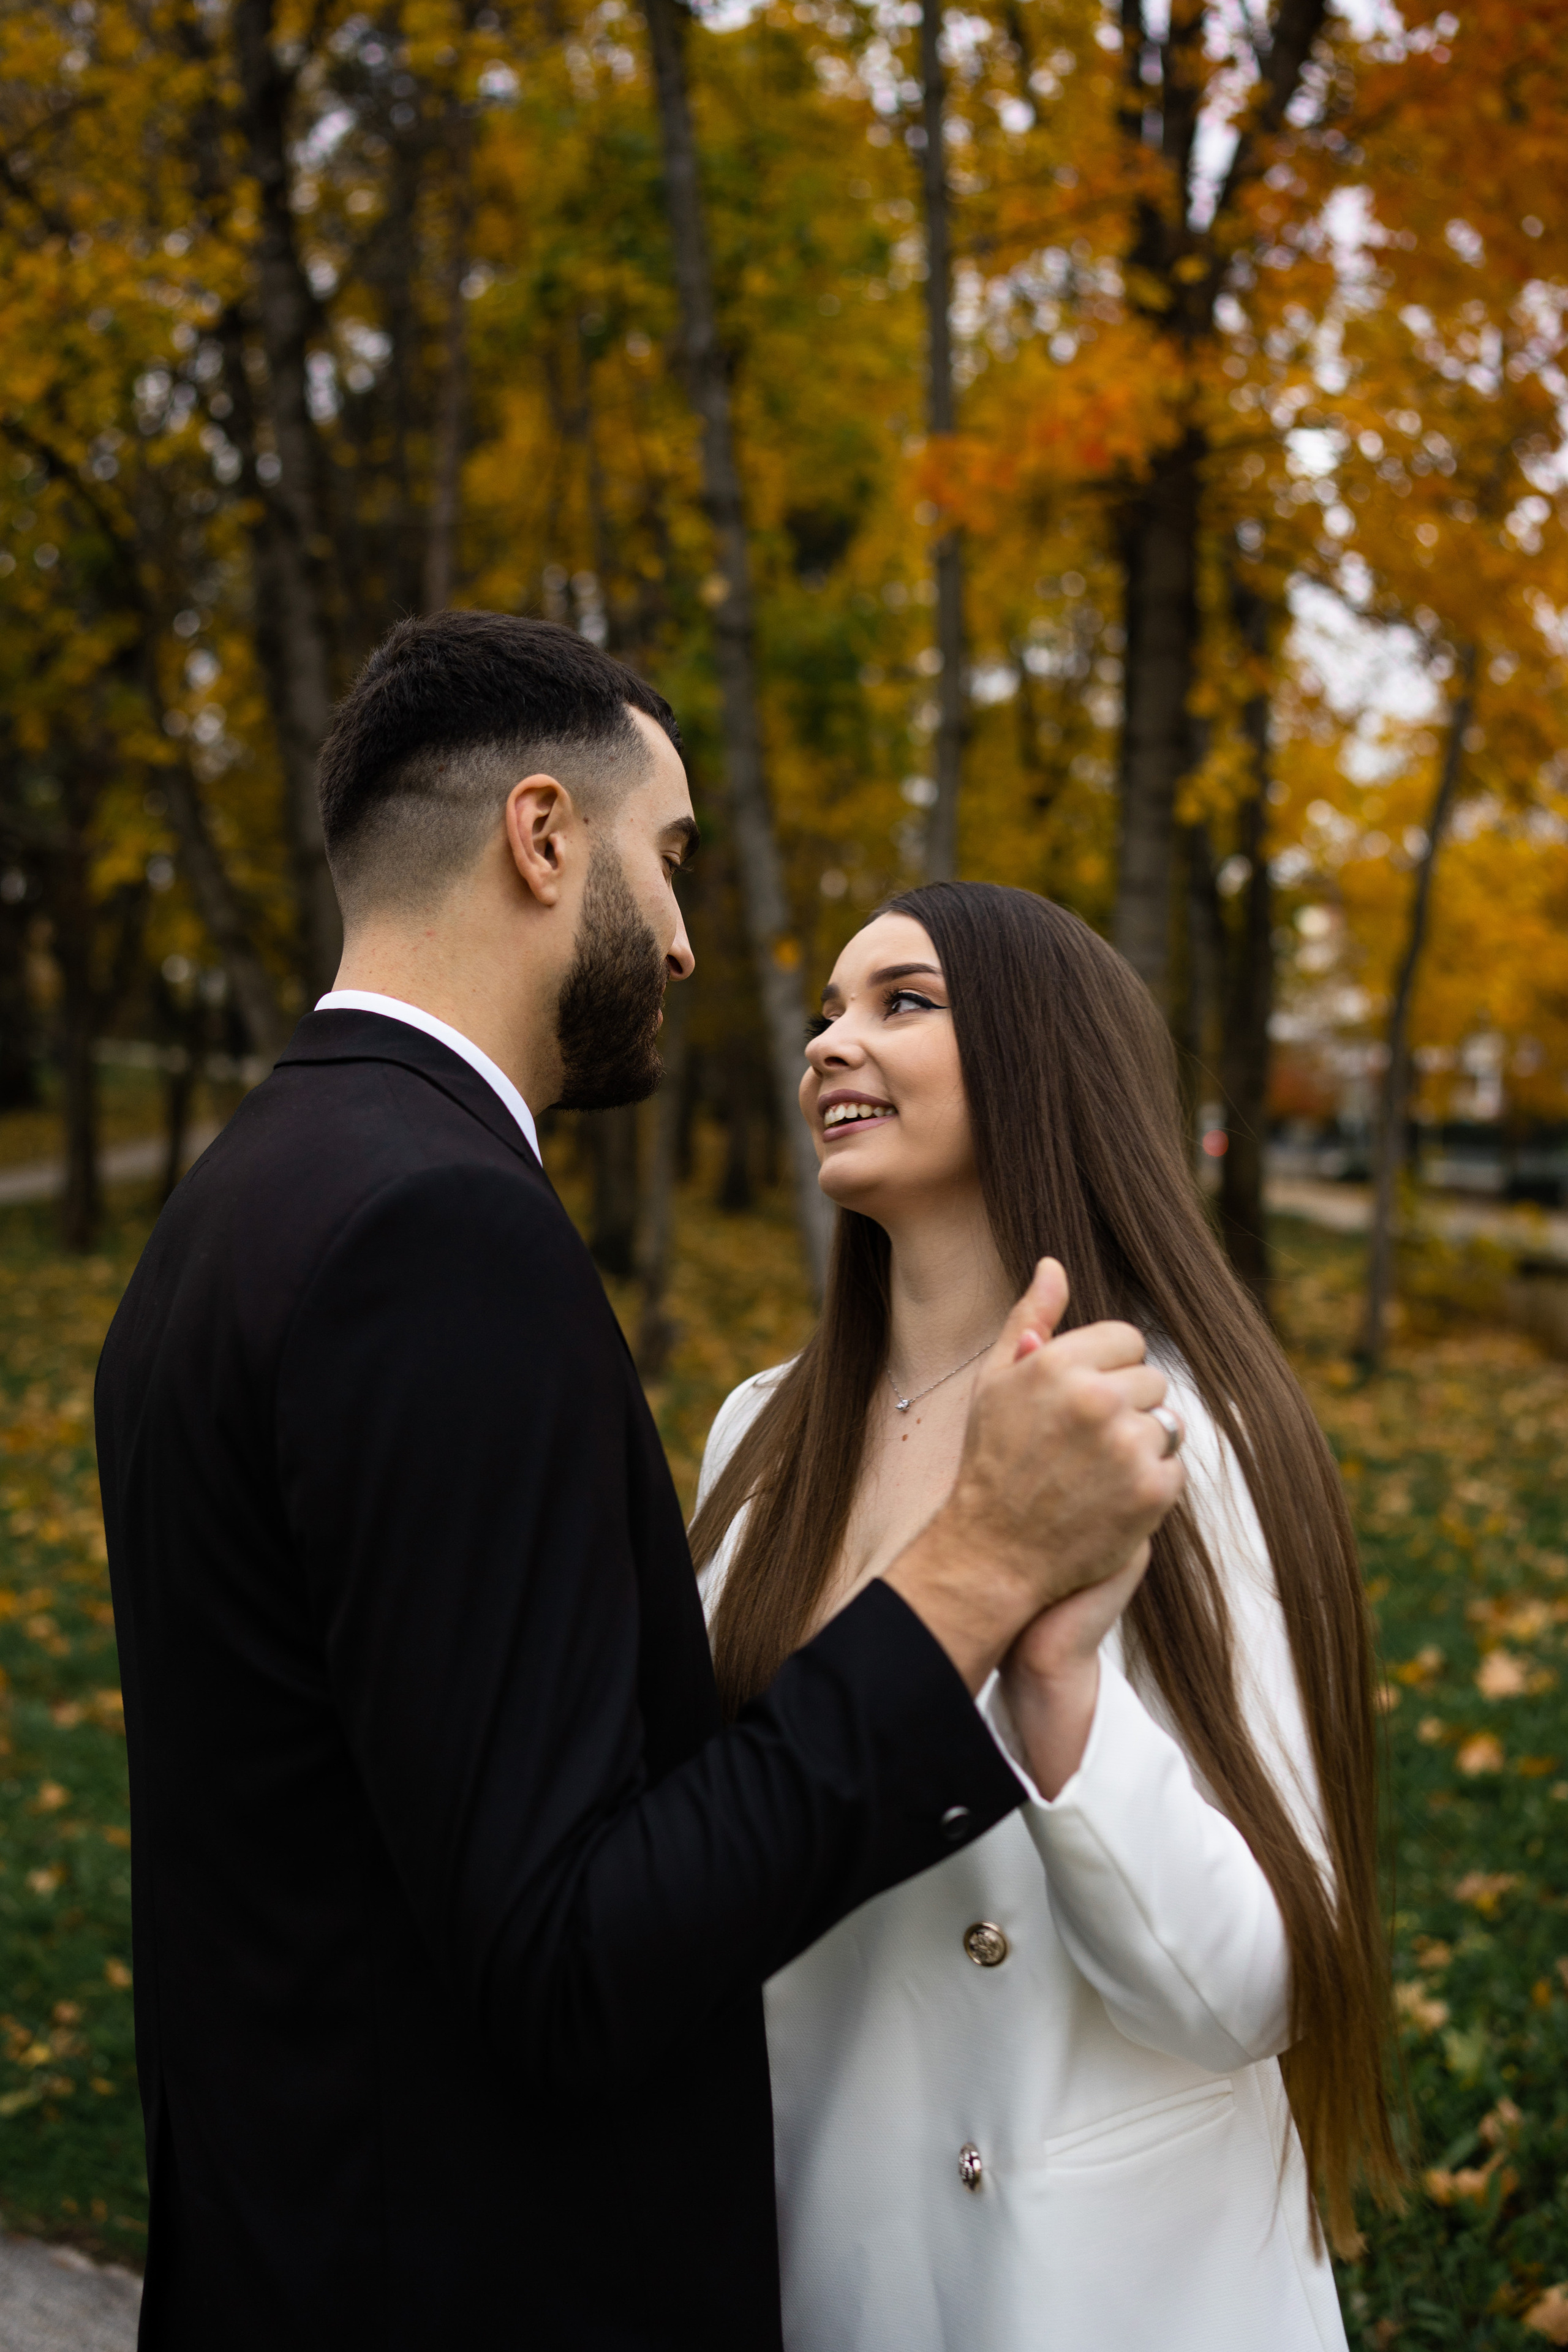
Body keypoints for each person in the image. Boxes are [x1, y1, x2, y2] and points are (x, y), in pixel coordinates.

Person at [94, 616, 1186, 2351]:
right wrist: (977, 1573)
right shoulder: (440, 1234)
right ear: (544, 839)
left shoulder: (239, 1202)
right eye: (668, 861)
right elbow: (569, 1957)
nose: (683, 942)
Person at [691, 881, 1401, 2352]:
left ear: (1036, 1058)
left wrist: (1061, 1693)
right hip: (806, 2262)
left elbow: (1260, 1986)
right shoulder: (755, 1437)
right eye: (826, 1009)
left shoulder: (1179, 1433)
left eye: (900, 1001)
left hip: (1092, 2292)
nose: (830, 1041)